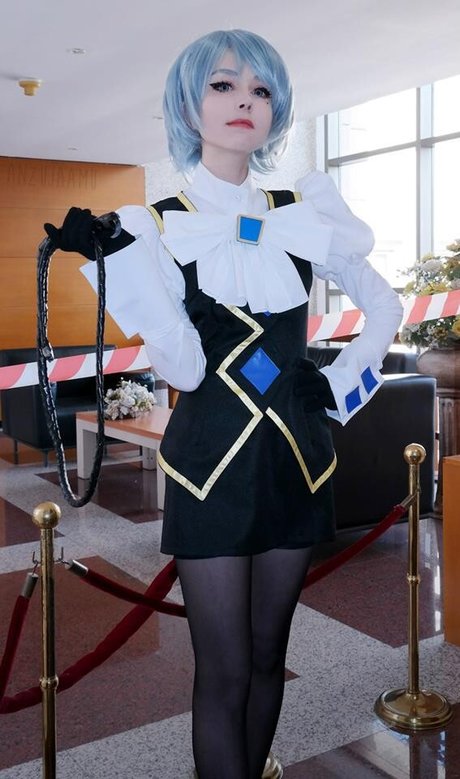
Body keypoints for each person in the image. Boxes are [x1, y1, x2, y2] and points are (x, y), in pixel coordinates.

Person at [44, 29, 403, 779]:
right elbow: (182, 365)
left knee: (271, 656)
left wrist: (342, 385)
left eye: (261, 89)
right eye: (223, 85)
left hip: (297, 462)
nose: (245, 100)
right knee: (225, 668)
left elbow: (386, 307)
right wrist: (120, 260)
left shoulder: (304, 210)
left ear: (277, 110)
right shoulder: (154, 225)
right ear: (188, 104)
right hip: (209, 467)